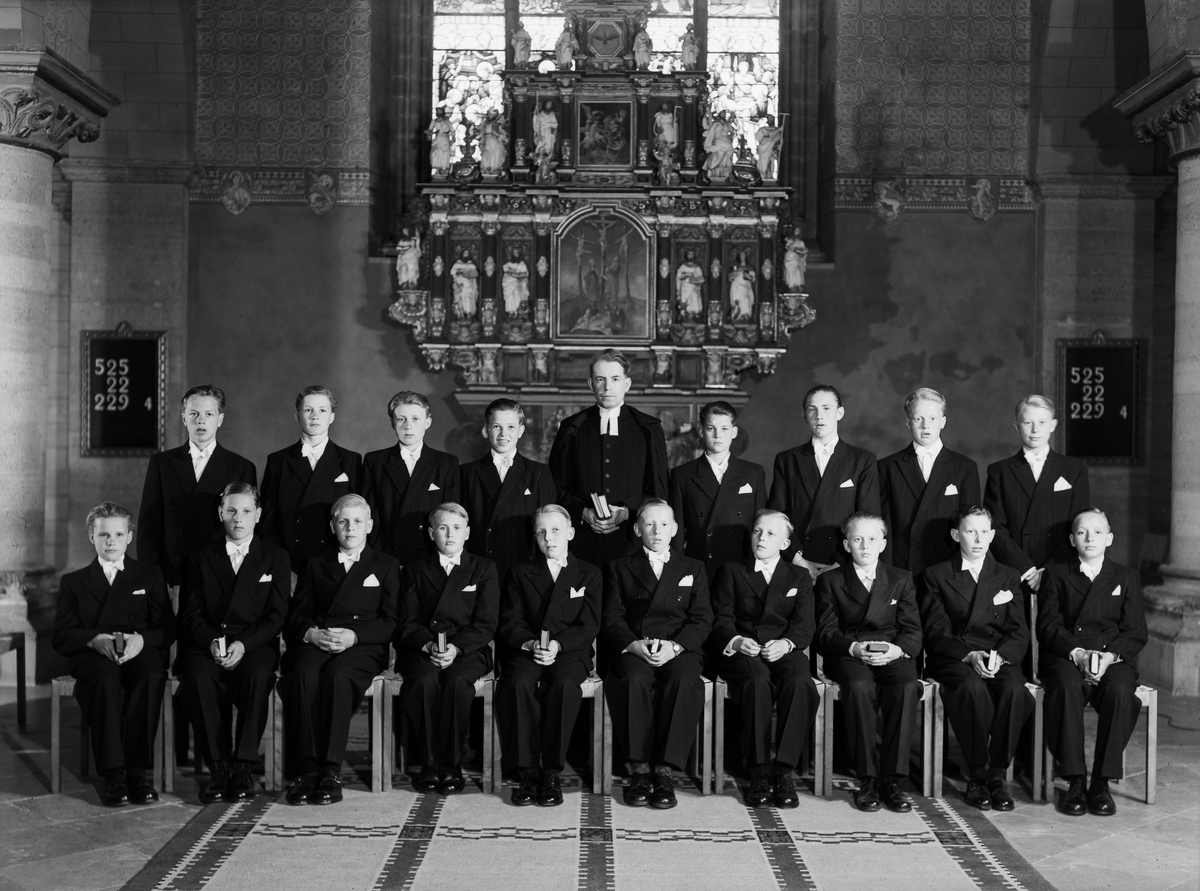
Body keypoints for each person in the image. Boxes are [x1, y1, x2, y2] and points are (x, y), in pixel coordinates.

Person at [280, 495, 400, 805]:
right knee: (303, 674)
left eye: (357, 521)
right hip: (320, 638)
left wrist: (355, 637)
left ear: (369, 526)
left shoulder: (385, 565)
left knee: (338, 674)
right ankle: (307, 769)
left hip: (363, 646)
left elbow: (392, 622)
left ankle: (330, 771)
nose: (350, 528)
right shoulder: (315, 564)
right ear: (333, 526)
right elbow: (297, 615)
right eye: (343, 521)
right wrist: (312, 634)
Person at [52, 502, 174, 807]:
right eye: (103, 534)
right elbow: (61, 635)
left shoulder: (149, 575)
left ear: (129, 537)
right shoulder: (74, 582)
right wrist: (93, 640)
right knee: (105, 680)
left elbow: (167, 629)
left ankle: (137, 772)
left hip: (138, 648)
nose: (111, 541)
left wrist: (142, 641)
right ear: (91, 537)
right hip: (93, 653)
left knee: (149, 676)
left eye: (118, 534)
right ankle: (114, 774)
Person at [178, 483, 289, 804]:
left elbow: (276, 616)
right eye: (231, 511)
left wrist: (243, 644)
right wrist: (213, 642)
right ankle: (218, 768)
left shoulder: (275, 558)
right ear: (220, 513)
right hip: (209, 643)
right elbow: (190, 615)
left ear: (258, 514)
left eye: (246, 511)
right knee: (199, 677)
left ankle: (242, 766)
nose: (238, 519)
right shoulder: (200, 558)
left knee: (257, 676)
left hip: (254, 644)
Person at [917, 505, 1032, 812]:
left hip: (998, 655)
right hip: (955, 655)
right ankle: (978, 774)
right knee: (971, 688)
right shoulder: (936, 575)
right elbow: (936, 630)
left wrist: (1000, 657)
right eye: (970, 531)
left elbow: (1019, 631)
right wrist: (968, 655)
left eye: (984, 532)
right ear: (956, 535)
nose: (978, 539)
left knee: (1015, 691)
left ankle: (997, 774)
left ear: (993, 535)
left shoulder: (1008, 575)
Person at [602, 500, 712, 809]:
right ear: (638, 530)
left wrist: (676, 647)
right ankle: (639, 770)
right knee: (632, 679)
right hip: (636, 646)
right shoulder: (619, 567)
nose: (657, 531)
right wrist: (633, 645)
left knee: (683, 681)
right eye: (649, 524)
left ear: (674, 529)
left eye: (664, 524)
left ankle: (664, 772)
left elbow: (702, 619)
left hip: (679, 647)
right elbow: (612, 619)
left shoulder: (693, 567)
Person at [1037, 508, 1147, 817]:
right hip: (1068, 654)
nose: (1090, 538)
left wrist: (1109, 657)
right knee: (1065, 687)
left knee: (1121, 690)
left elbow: (1135, 631)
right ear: (1072, 539)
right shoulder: (1057, 574)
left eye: (1098, 532)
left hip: (1112, 656)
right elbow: (1048, 627)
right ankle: (1075, 780)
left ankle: (1100, 782)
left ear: (1109, 539)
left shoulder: (1126, 576)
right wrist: (1079, 654)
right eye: (1082, 532)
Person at [710, 510, 819, 809]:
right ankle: (758, 771)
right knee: (757, 681)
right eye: (757, 531)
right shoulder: (732, 571)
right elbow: (721, 619)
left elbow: (805, 623)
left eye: (771, 534)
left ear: (785, 544)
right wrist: (737, 641)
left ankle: (783, 771)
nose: (761, 538)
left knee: (800, 682)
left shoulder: (799, 576)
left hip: (784, 647)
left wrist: (786, 643)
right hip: (744, 649)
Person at [815, 512, 922, 813]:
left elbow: (912, 629)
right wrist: (854, 648)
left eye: (872, 539)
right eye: (857, 539)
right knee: (859, 686)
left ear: (883, 544)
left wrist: (898, 650)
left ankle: (893, 779)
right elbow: (825, 633)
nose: (865, 545)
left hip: (890, 651)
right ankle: (868, 778)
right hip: (849, 653)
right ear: (846, 545)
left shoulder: (900, 578)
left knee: (906, 686)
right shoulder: (830, 580)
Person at [497, 505, 602, 806]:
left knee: (564, 685)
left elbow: (589, 625)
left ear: (570, 533)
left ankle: (552, 772)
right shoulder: (519, 573)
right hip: (528, 648)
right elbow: (511, 621)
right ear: (535, 537)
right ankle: (528, 771)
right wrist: (531, 644)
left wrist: (558, 645)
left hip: (570, 650)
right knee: (517, 683)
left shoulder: (590, 573)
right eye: (541, 532)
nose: (549, 538)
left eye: (555, 530)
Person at [396, 503, 500, 795]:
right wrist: (429, 645)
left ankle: (452, 763)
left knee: (456, 683)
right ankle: (430, 762)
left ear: (467, 533)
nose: (450, 534)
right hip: (424, 648)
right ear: (431, 534)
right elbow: (408, 622)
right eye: (442, 528)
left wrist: (456, 648)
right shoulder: (416, 570)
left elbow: (486, 623)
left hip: (469, 649)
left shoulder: (484, 569)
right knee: (423, 681)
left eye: (456, 528)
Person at [548, 349, 669, 567]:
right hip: (580, 546)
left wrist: (626, 512)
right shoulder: (571, 428)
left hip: (633, 546)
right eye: (600, 379)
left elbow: (658, 491)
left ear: (627, 384)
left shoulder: (648, 429)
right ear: (590, 384)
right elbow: (555, 488)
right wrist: (583, 512)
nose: (607, 387)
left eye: (615, 379)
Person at [137, 384, 256, 589]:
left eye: (209, 414)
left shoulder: (241, 467)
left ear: (220, 420)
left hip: (221, 575)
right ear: (184, 418)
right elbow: (148, 528)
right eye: (194, 414)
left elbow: (246, 531)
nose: (201, 420)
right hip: (173, 575)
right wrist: (153, 578)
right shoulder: (162, 463)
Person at [768, 385, 880, 578]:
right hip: (798, 563)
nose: (819, 416)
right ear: (804, 415)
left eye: (827, 408)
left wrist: (839, 562)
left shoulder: (862, 460)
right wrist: (799, 561)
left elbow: (868, 519)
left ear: (840, 413)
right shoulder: (787, 460)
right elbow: (776, 518)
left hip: (843, 563)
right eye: (812, 409)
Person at [984, 395, 1090, 595]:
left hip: (1060, 569)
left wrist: (1048, 572)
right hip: (1018, 572)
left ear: (1053, 425)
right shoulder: (1000, 471)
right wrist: (1027, 570)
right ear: (1017, 426)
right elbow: (994, 527)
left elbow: (1080, 525)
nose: (1035, 430)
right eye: (1027, 423)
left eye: (1041, 422)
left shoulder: (1074, 469)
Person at [260, 386, 362, 578]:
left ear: (332, 417)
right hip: (290, 564)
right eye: (308, 410)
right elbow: (267, 523)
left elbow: (358, 521)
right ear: (297, 416)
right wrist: (283, 569)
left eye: (322, 410)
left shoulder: (350, 461)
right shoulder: (278, 461)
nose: (315, 416)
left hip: (334, 564)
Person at [879, 388, 980, 575]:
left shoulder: (965, 467)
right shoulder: (887, 467)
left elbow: (972, 526)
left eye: (933, 418)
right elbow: (882, 526)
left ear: (943, 422)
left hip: (948, 569)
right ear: (908, 423)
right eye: (918, 419)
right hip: (902, 568)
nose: (926, 426)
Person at [459, 398, 556, 586]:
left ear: (521, 431)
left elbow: (548, 527)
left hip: (524, 569)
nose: (503, 433)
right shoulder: (467, 473)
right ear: (486, 429)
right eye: (497, 426)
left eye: (511, 427)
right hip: (481, 568)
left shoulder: (538, 473)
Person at [668, 401, 766, 583]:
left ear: (734, 432)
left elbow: (762, 525)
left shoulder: (753, 473)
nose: (718, 435)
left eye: (724, 429)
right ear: (701, 431)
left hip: (742, 568)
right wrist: (679, 572)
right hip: (700, 568)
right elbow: (677, 532)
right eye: (711, 428)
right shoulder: (682, 475)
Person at [363, 391, 460, 566]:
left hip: (430, 558)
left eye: (415, 419)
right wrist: (381, 556)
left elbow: (451, 517)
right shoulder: (375, 461)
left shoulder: (446, 463)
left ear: (427, 422)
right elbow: (369, 514)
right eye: (401, 419)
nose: (408, 426)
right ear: (392, 423)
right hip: (387, 556)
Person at [450, 248, 479, 318]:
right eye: (465, 253)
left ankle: (468, 313)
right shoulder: (457, 263)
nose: (466, 255)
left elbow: (473, 268)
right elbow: (452, 272)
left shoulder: (470, 263)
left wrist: (462, 268)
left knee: (467, 299)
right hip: (459, 284)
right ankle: (461, 314)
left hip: (467, 284)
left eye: (467, 254)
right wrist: (464, 268)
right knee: (460, 299)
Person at [675, 249, 704, 318]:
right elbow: (679, 275)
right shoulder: (683, 266)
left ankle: (695, 314)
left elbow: (700, 276)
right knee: (685, 300)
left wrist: (694, 276)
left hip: (694, 286)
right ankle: (685, 315)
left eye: (692, 254)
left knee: (695, 297)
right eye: (689, 254)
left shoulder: (696, 266)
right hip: (685, 287)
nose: (691, 256)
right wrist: (686, 274)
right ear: (686, 255)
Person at [728, 250, 756, 320]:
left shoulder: (749, 268)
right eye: (741, 255)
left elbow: (753, 278)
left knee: (746, 299)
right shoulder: (736, 268)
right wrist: (736, 273)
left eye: (744, 255)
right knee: (738, 302)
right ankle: (738, 316)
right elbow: (730, 278)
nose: (743, 257)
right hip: (737, 288)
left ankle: (745, 315)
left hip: (746, 287)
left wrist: (747, 276)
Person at [501, 247, 530, 314]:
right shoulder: (508, 264)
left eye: (517, 253)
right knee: (510, 297)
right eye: (514, 253)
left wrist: (514, 274)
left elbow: (524, 274)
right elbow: (506, 271)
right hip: (508, 284)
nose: (516, 254)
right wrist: (515, 274)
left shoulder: (522, 264)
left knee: (517, 294)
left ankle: (518, 311)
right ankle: (511, 312)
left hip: (518, 284)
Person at [755, 115, 784, 180]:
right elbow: (770, 134)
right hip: (764, 149)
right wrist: (779, 129)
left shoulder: (777, 131)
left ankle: (770, 176)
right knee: (763, 165)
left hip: (772, 149)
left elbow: (780, 139)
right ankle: (763, 177)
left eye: (771, 119)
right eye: (769, 119)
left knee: (771, 164)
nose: (770, 120)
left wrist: (780, 145)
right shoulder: (764, 129)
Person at [426, 107, 455, 174]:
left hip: (445, 139)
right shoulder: (434, 121)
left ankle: (444, 168)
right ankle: (437, 168)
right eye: (437, 112)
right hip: (438, 139)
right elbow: (429, 130)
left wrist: (453, 138)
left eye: (440, 111)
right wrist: (429, 134)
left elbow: (452, 131)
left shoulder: (447, 122)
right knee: (435, 153)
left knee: (445, 154)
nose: (438, 113)